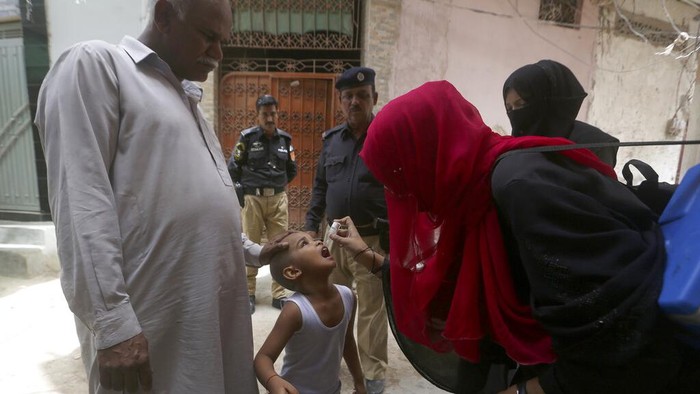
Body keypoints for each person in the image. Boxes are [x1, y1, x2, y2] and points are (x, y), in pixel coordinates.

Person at [331, 80, 700, 393]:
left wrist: (527, 390)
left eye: (399, 174)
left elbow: (618, 333)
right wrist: (371, 257)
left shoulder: (518, 186)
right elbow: (452, 285)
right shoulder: (475, 193)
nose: (403, 193)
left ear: (427, 154)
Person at [34, 0, 258, 392]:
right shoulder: (96, 66)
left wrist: (258, 252)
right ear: (165, 16)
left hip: (209, 327)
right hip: (151, 335)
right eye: (208, 37)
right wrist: (113, 325)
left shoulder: (186, 99)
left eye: (223, 40)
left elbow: (190, 210)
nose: (218, 54)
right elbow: (81, 203)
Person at [304, 66, 389, 393]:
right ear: (340, 101)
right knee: (332, 302)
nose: (355, 102)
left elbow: (400, 189)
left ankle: (372, 375)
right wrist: (311, 225)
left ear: (374, 98)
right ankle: (333, 362)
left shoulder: (386, 137)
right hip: (334, 236)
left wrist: (392, 240)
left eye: (362, 96)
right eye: (348, 96)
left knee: (370, 311)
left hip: (371, 240)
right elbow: (320, 187)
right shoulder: (331, 142)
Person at [254, 231, 367, 394]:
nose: (319, 242)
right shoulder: (295, 310)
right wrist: (273, 381)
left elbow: (347, 342)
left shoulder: (348, 296)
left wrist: (359, 381)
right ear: (293, 272)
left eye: (314, 239)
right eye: (304, 243)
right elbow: (263, 358)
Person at [228, 94, 298, 313]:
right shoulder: (247, 139)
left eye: (273, 114)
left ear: (277, 114)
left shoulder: (285, 140)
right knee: (251, 242)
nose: (269, 118)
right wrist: (241, 192)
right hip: (253, 200)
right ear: (257, 115)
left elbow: (292, 170)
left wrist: (277, 186)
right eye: (265, 114)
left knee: (281, 246)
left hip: (277, 199)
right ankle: (249, 293)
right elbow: (233, 167)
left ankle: (279, 293)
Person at [503, 59, 619, 167]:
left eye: (521, 104)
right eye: (509, 108)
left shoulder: (593, 145)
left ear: (547, 100)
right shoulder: (515, 149)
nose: (515, 113)